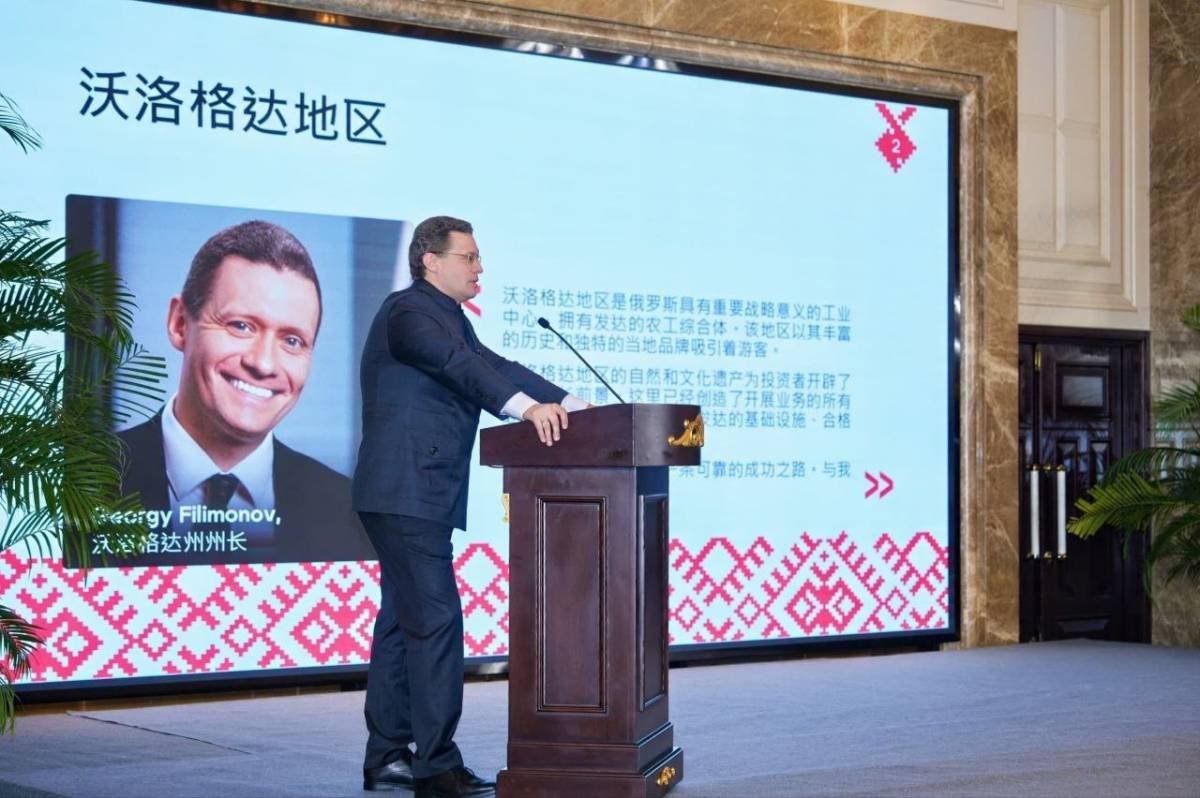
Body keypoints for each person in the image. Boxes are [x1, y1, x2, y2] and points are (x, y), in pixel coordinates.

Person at [354, 216, 585, 797]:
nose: (480, 267)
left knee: (403, 622)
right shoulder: (409, 312)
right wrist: (524, 409)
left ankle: (388, 757)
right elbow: (461, 368)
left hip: (409, 493)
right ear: (431, 260)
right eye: (470, 257)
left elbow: (494, 365)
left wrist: (572, 403)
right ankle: (436, 766)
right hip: (405, 491)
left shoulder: (450, 317)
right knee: (435, 623)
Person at [112, 220, 373, 566]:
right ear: (180, 324)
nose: (263, 364)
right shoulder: (79, 478)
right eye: (241, 326)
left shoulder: (348, 511)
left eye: (292, 340)